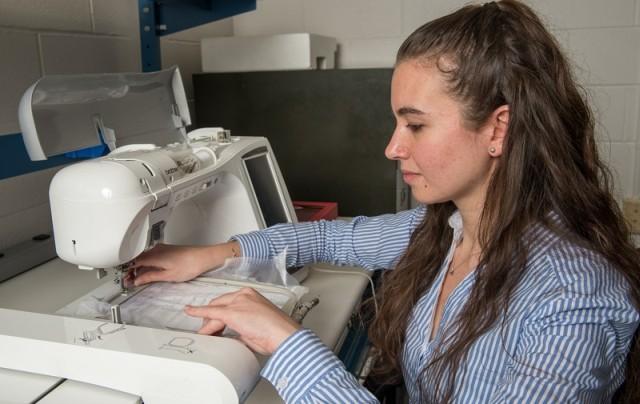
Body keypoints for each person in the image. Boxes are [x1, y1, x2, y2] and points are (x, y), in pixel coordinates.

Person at [131, 1, 640, 402]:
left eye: (415, 124)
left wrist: (289, 346)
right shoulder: (446, 229)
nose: (393, 147)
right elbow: (328, 235)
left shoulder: (573, 298)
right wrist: (213, 254)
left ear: (497, 129)